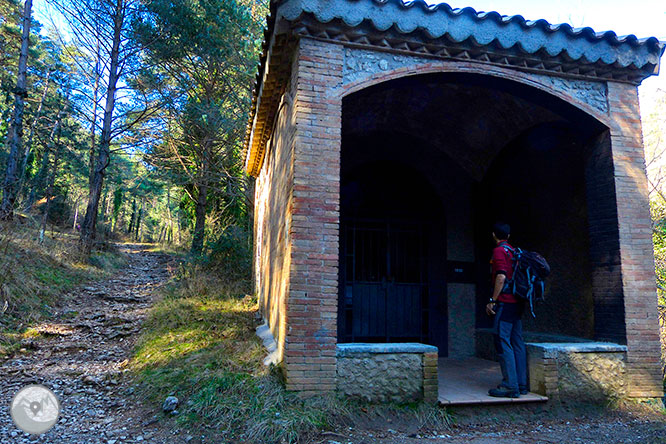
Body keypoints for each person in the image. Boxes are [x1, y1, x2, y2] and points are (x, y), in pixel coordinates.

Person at [485, 222, 528, 398]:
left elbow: (501, 277)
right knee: (517, 341)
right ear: (508, 236)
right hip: (518, 302)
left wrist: (492, 300)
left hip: (506, 302)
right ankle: (521, 384)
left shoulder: (499, 251)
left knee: (502, 340)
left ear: (494, 235)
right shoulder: (514, 252)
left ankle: (510, 385)